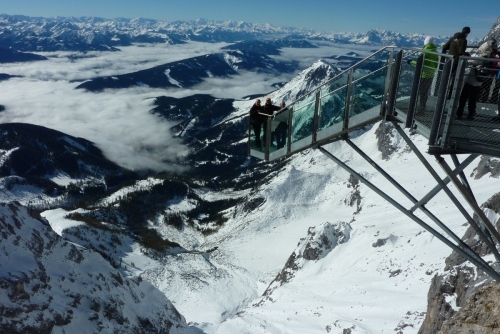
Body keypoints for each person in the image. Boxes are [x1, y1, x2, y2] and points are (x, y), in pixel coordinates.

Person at [412, 36, 439, 113]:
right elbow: (436, 64)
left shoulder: (425, 52)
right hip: (431, 75)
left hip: (423, 75)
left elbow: (419, 64)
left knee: (421, 91)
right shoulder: (435, 53)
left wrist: (411, 62)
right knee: (425, 91)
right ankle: (422, 107)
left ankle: (420, 108)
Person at [442, 26, 471, 99]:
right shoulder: (463, 40)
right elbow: (461, 52)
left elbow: (445, 47)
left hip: (449, 60)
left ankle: (443, 93)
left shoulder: (453, 38)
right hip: (457, 61)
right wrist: (467, 54)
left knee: (447, 77)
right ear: (467, 33)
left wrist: (451, 50)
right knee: (455, 79)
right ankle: (450, 95)